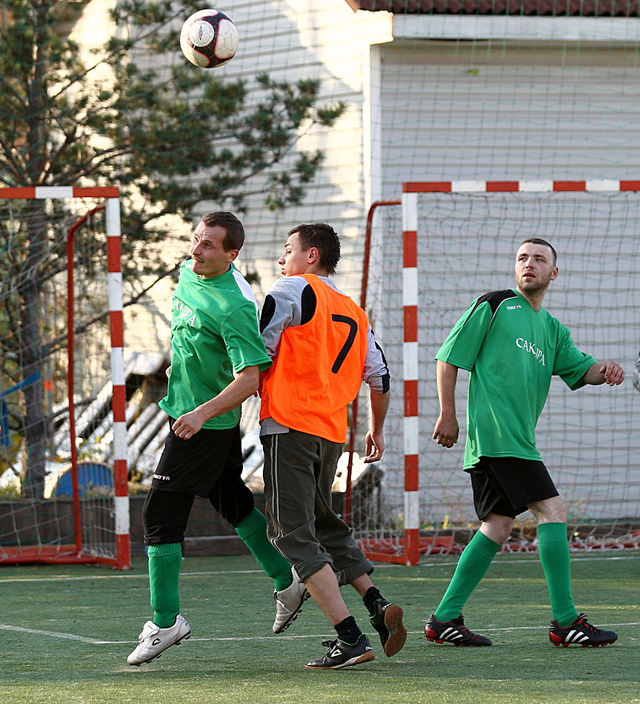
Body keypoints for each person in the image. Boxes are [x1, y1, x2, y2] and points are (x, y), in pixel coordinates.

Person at [426, 237, 624, 648]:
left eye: (538, 259)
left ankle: (443, 619)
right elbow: (448, 356)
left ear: (554, 272)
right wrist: (448, 413)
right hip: (498, 437)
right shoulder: (495, 304)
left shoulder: (551, 328)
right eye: (522, 258)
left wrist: (605, 369)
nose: (528, 263)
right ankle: (565, 622)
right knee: (553, 509)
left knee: (497, 526)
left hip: (512, 440)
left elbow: (581, 370)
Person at [127, 212, 299, 666]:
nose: (195, 251)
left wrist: (201, 413)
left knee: (159, 515)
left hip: (203, 424)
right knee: (233, 502)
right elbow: (192, 330)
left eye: (207, 245)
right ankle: (287, 579)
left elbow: (250, 379)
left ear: (231, 254)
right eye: (195, 240)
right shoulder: (190, 271)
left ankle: (166, 622)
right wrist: (181, 363)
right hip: (188, 413)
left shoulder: (235, 305)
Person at [258, 223, 407, 670]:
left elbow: (257, 351)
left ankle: (350, 638)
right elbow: (380, 376)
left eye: (288, 250)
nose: (281, 259)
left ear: (312, 256)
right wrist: (376, 430)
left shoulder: (289, 289)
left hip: (288, 424)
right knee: (325, 523)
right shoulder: (354, 310)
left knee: (291, 534)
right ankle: (377, 603)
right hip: (331, 433)